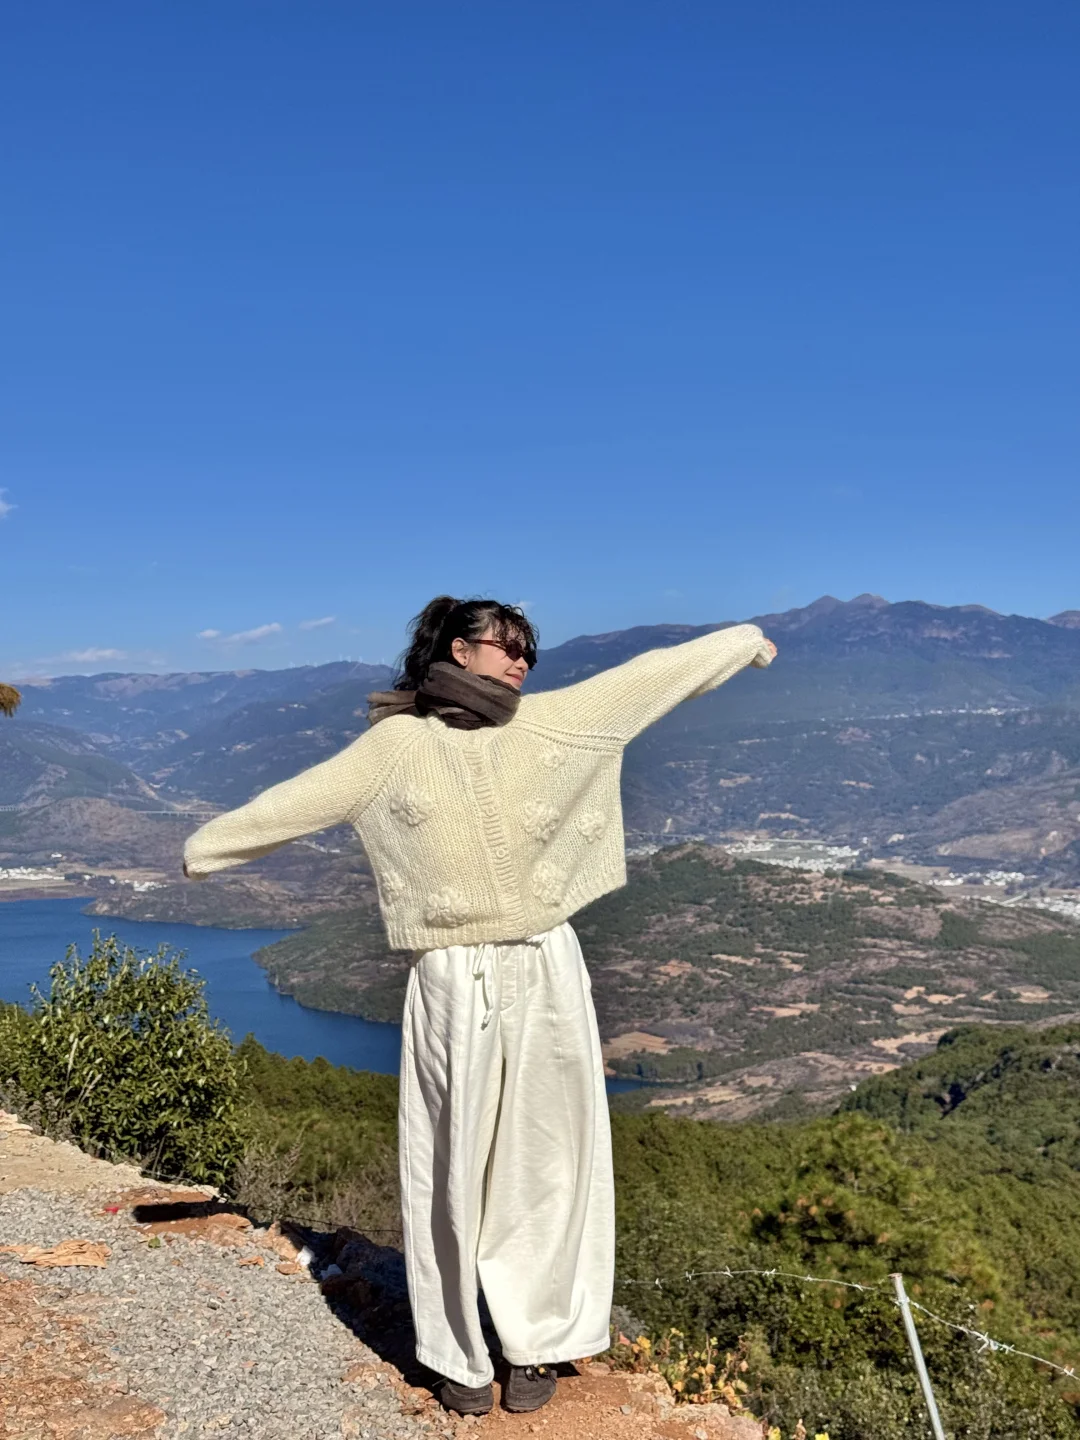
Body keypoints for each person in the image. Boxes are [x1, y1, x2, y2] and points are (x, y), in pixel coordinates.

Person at [183, 596, 776, 1415]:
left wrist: (742, 641)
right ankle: (455, 1351)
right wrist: (203, 850)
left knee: (548, 1157)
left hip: (547, 963)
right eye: (508, 645)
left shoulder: (558, 722)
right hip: (452, 973)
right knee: (449, 1164)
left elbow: (653, 677)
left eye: (529, 649)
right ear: (459, 650)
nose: (522, 660)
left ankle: (538, 1340)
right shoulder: (393, 748)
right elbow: (293, 803)